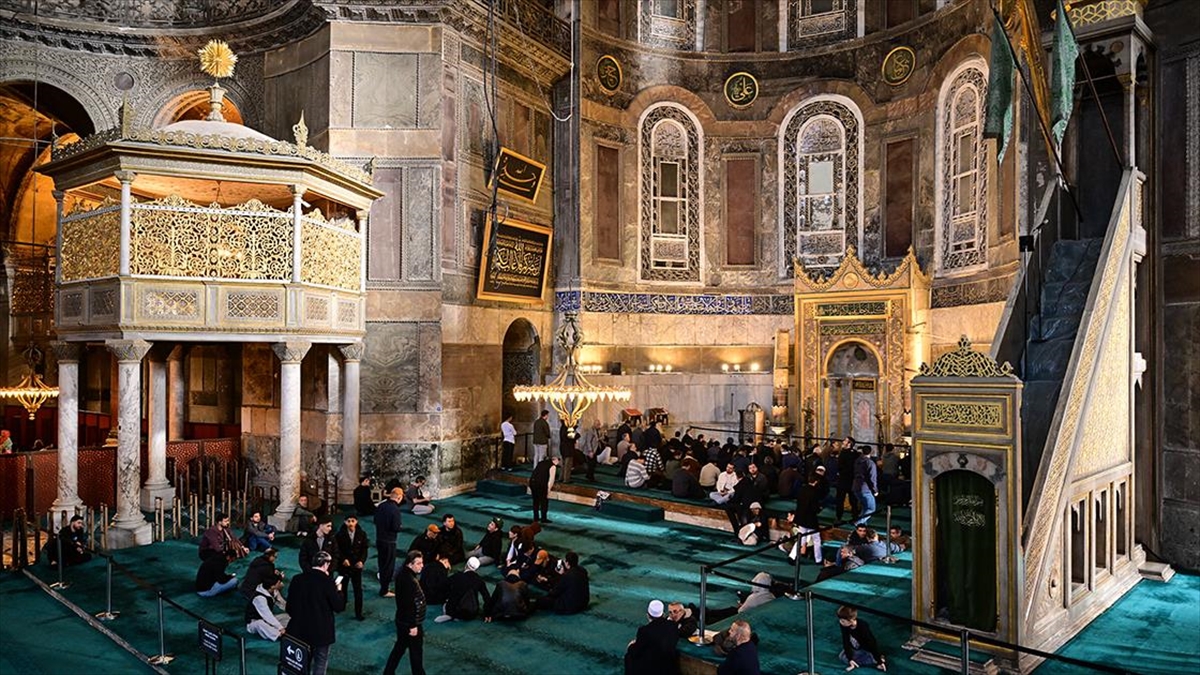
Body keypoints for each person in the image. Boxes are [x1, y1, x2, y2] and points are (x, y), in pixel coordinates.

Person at [287, 551, 346, 675]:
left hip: (299, 630)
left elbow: (289, 607)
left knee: (299, 663)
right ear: (326, 564)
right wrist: (339, 591)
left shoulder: (297, 579)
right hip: (321, 632)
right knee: (320, 662)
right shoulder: (327, 582)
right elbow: (339, 607)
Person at [383, 551, 428, 675]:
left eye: (422, 563)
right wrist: (413, 625)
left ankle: (388, 672)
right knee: (416, 654)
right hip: (410, 623)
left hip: (403, 620)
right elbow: (408, 605)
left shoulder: (404, 575)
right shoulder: (409, 581)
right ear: (410, 564)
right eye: (418, 563)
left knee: (400, 648)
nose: (422, 566)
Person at [624, 599, 679, 675]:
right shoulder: (672, 625)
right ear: (663, 614)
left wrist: (630, 646)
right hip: (669, 666)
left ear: (648, 615)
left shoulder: (644, 631)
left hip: (653, 669)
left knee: (629, 657)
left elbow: (636, 651)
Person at [436, 556, 489, 622]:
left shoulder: (457, 576)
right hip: (472, 613)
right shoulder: (479, 580)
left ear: (466, 565)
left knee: (447, 603)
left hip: (455, 611)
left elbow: (444, 585)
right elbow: (487, 597)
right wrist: (488, 614)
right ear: (476, 568)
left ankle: (451, 615)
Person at [336, 515, 370, 620]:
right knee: (342, 587)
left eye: (353, 521)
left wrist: (361, 561)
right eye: (348, 521)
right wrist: (343, 559)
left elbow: (364, 549)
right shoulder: (339, 535)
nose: (350, 523)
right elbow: (336, 549)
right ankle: (341, 605)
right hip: (343, 566)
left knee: (358, 590)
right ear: (345, 522)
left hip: (356, 566)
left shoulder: (362, 534)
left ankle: (358, 613)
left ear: (356, 522)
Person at [836, 605, 887, 671]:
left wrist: (879, 661)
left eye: (843, 621)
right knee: (842, 657)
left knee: (847, 658)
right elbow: (846, 640)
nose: (840, 622)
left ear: (851, 620)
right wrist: (850, 659)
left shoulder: (862, 627)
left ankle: (875, 659)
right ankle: (857, 659)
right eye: (840, 620)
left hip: (865, 648)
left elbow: (872, 643)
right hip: (855, 646)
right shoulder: (844, 625)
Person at [376, 487, 405, 597]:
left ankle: (383, 585)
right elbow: (396, 527)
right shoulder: (395, 509)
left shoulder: (381, 505)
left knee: (382, 563)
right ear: (399, 497)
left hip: (379, 539)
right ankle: (384, 590)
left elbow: (375, 520)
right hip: (390, 541)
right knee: (388, 566)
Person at [245, 571, 289, 641]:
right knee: (260, 624)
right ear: (272, 586)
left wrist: (292, 611)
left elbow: (282, 603)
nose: (281, 584)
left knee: (288, 617)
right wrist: (280, 628)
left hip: (267, 620)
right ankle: (279, 635)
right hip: (254, 622)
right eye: (279, 583)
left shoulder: (274, 590)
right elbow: (267, 615)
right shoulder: (259, 598)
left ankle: (279, 629)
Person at [529, 455, 559, 523]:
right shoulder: (552, 466)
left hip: (533, 482)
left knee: (535, 501)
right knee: (544, 502)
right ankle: (543, 518)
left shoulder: (541, 463)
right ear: (555, 460)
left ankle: (535, 517)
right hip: (541, 484)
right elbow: (551, 480)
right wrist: (548, 489)